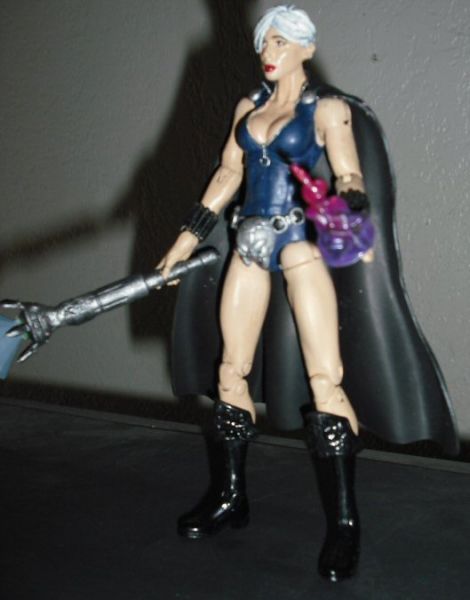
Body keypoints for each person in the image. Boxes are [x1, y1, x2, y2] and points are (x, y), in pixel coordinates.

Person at [158, 4, 459, 583]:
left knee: (326, 379)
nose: (267, 52)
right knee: (230, 372)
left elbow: (348, 174)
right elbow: (227, 175)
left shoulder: (328, 109)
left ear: (305, 47)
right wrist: (184, 239)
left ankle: (345, 523)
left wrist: (351, 213)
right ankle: (230, 497)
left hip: (299, 245)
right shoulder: (248, 107)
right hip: (249, 244)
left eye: (279, 41)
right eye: (263, 42)